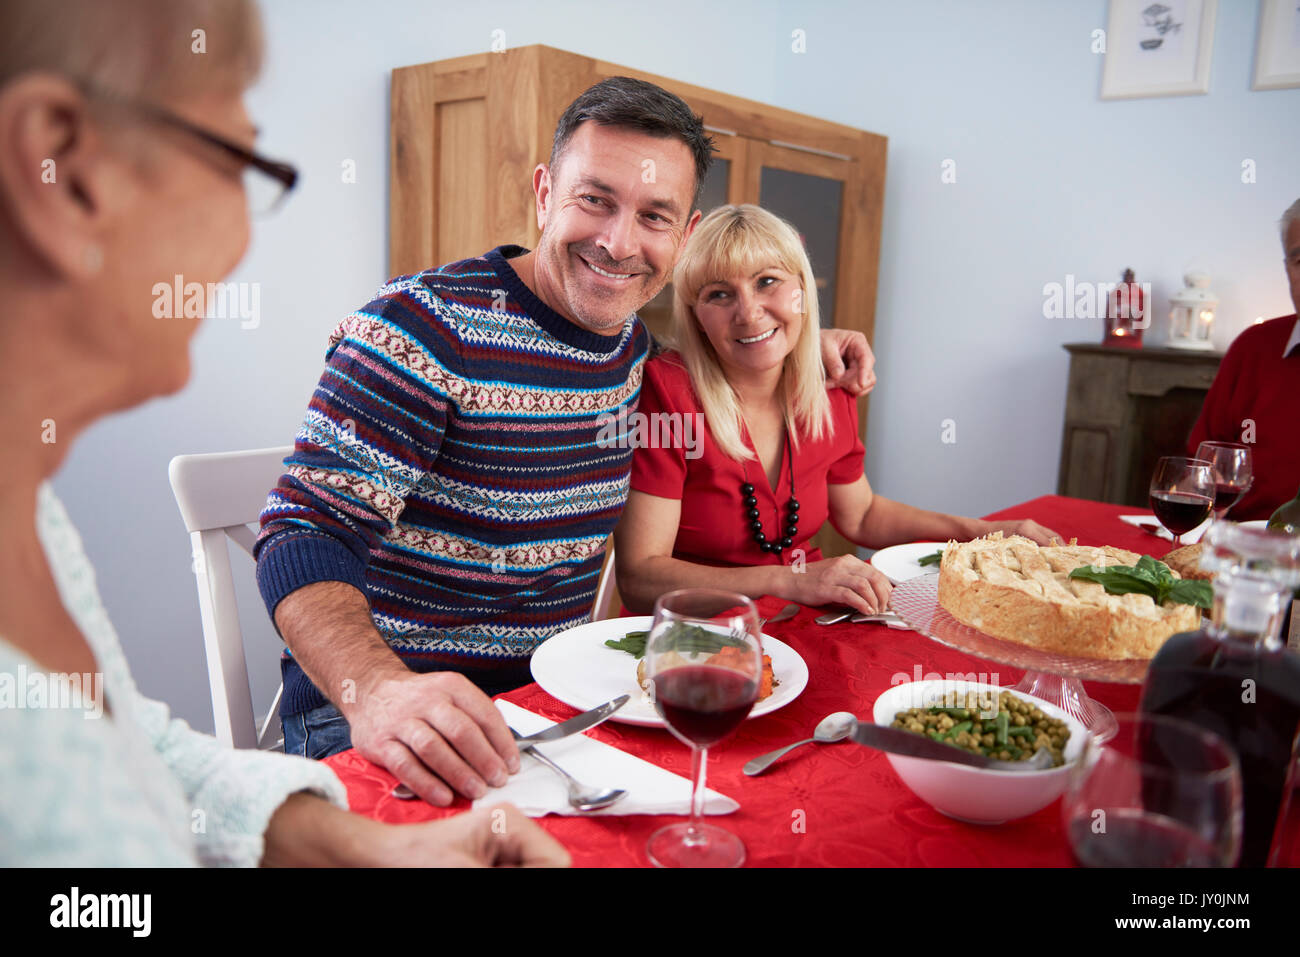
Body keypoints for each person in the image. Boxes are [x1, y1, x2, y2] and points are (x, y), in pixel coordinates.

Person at [0, 0, 567, 867]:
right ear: (65, 170)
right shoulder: (422, 324)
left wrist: (377, 851)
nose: (241, 237)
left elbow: (134, 751)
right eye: (237, 159)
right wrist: (374, 690)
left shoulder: (33, 517)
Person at [254, 78, 876, 804]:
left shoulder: (636, 353)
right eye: (595, 199)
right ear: (545, 191)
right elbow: (304, 529)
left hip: (558, 707)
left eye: (653, 216)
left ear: (684, 234)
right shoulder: (421, 328)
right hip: (383, 719)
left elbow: (732, 342)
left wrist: (811, 344)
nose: (618, 242)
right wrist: (380, 691)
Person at [615, 205, 1058, 615]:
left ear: (803, 292)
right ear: (696, 316)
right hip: (695, 638)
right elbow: (640, 578)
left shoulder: (830, 387)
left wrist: (981, 531)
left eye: (767, 281)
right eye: (719, 295)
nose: (749, 313)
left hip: (808, 624)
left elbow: (861, 515)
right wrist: (790, 580)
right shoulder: (667, 395)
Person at [1186, 198, 1300, 521]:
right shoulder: (1253, 348)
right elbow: (1199, 471)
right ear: (1287, 268)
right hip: (1243, 556)